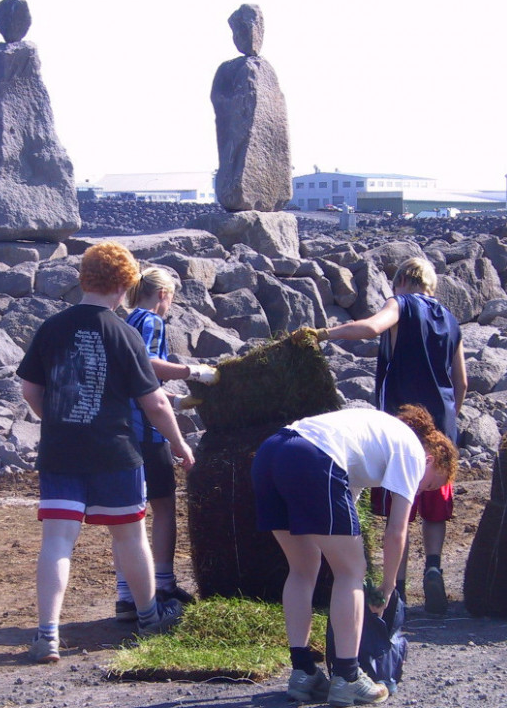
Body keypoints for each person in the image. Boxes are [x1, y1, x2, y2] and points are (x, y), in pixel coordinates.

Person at [17, 242, 196, 663]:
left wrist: (57, 421)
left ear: (84, 277)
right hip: (115, 451)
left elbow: (30, 390)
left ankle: (47, 635)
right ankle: (150, 617)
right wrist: (178, 441)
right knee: (130, 536)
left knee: (57, 541)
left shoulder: (52, 327)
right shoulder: (125, 333)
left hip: (61, 451)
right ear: (124, 284)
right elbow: (154, 403)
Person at [252, 405, 458, 705]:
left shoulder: (379, 437)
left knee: (302, 568)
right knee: (351, 572)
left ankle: (303, 672)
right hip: (314, 457)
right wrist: (387, 587)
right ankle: (348, 676)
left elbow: (344, 512)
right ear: (430, 459)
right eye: (428, 484)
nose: (420, 490)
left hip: (271, 454)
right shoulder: (414, 453)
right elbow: (396, 531)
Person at [314, 257, 466, 614]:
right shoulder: (451, 319)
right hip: (441, 423)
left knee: (402, 506)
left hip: (404, 420)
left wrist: (325, 334)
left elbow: (371, 329)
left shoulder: (401, 303)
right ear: (432, 286)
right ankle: (433, 565)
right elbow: (462, 381)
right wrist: (450, 418)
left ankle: (395, 584)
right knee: (435, 504)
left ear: (399, 281)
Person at [112, 267, 217, 621]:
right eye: (171, 298)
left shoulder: (123, 320)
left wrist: (170, 399)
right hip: (147, 430)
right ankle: (164, 584)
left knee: (128, 515)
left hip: (122, 427)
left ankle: (126, 595)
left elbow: (132, 377)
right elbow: (148, 366)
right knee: (164, 508)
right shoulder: (152, 321)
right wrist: (194, 372)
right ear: (163, 295)